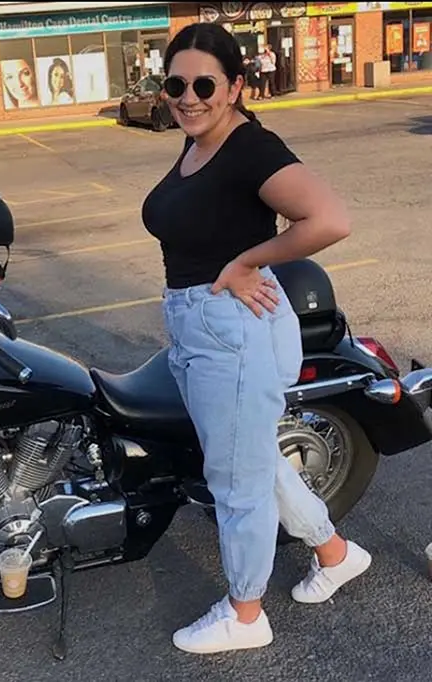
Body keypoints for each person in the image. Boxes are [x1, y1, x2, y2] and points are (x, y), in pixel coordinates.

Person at [141, 22, 372, 655]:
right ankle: (335, 552)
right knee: (255, 460)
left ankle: (245, 615)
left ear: (237, 85)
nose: (188, 96)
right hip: (201, 324)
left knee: (235, 481)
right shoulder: (197, 144)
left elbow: (328, 218)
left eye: (205, 83)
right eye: (176, 84)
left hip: (229, 330)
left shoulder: (248, 146)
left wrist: (247, 262)